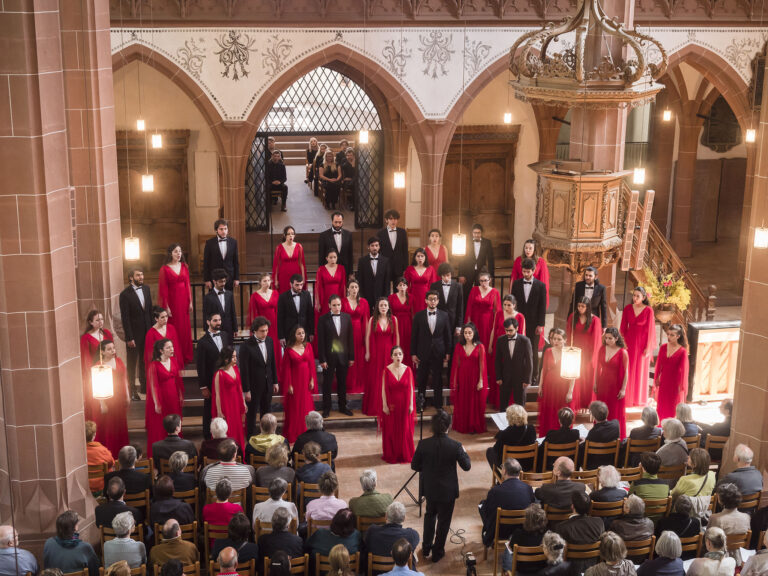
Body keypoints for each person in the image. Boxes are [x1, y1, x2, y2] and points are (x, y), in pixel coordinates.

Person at [411, 410, 471, 563]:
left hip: (430, 489)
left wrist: (428, 466)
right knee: (444, 522)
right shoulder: (456, 446)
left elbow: (414, 465)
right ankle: (437, 552)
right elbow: (467, 466)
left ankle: (425, 548)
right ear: (448, 426)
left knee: (430, 516)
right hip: (447, 492)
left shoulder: (423, 444)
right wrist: (464, 451)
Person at [464, 271, 502, 404]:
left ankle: (487, 390)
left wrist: (495, 330)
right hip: (475, 325)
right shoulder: (474, 290)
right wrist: (467, 328)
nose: (484, 283)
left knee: (486, 355)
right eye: (481, 281)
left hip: (488, 327)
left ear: (490, 280)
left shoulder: (495, 292)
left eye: (486, 280)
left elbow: (497, 313)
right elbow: (468, 309)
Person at [479, 458, 535, 547]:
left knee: (482, 506)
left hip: (501, 531)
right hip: (522, 528)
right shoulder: (528, 488)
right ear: (519, 472)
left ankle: (488, 535)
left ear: (504, 472)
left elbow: (489, 512)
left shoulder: (495, 491)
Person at [239, 317, 279, 438]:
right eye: (262, 331)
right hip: (253, 387)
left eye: (266, 330)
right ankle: (250, 436)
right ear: (254, 331)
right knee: (251, 413)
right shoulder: (246, 346)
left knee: (266, 411)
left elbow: (272, 363)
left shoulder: (270, 341)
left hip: (268, 384)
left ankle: (266, 434)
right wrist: (246, 390)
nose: (265, 333)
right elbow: (244, 370)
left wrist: (275, 382)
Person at [411, 292, 451, 409]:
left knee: (438, 379)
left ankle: (438, 405)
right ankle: (421, 405)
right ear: (426, 301)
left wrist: (448, 352)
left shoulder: (444, 315)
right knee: (422, 379)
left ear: (438, 301)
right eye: (430, 299)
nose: (432, 301)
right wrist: (413, 353)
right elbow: (414, 336)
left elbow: (447, 335)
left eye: (435, 299)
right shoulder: (418, 316)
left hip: (439, 352)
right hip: (423, 352)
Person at [317, 295, 354, 417]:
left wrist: (351, 357)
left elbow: (350, 339)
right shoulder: (323, 319)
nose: (337, 307)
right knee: (327, 384)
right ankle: (326, 409)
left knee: (342, 383)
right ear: (329, 306)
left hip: (343, 356)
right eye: (334, 305)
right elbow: (321, 341)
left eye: (338, 305)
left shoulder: (347, 317)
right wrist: (322, 359)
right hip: (328, 357)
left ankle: (342, 406)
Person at [145, 343, 185, 457]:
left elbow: (178, 379)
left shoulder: (173, 361)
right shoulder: (154, 365)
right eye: (168, 347)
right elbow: (153, 385)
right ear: (161, 350)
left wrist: (180, 394)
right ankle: (162, 454)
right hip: (162, 398)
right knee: (160, 425)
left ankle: (176, 451)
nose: (172, 349)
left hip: (173, 398)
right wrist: (157, 403)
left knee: (175, 422)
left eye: (172, 346)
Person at [512, 258, 548, 382]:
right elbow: (513, 304)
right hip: (519, 323)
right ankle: (519, 372)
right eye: (524, 271)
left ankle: (533, 375)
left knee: (532, 349)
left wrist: (541, 325)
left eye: (528, 272)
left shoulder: (541, 286)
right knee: (519, 347)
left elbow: (542, 307)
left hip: (534, 323)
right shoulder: (516, 284)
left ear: (533, 271)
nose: (525, 274)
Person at [197, 313, 232, 440]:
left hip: (225, 379)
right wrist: (203, 386)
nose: (218, 322)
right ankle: (207, 435)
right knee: (209, 408)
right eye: (215, 320)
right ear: (208, 322)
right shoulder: (202, 342)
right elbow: (200, 366)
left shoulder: (225, 335)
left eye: (219, 320)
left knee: (225, 406)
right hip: (210, 381)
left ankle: (225, 431)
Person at [620, 286, 657, 408]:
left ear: (644, 297)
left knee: (640, 371)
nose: (635, 298)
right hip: (629, 343)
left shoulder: (648, 310)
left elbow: (651, 330)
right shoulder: (627, 309)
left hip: (642, 345)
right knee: (628, 369)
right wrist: (622, 343)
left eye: (638, 296)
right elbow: (623, 328)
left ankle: (639, 399)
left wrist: (648, 347)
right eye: (634, 295)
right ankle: (627, 397)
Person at [119, 267, 153, 397]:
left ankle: (144, 387)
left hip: (147, 332)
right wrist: (129, 337)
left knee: (145, 360)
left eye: (142, 275)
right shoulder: (125, 295)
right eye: (138, 275)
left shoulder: (146, 289)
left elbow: (149, 312)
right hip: (134, 334)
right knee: (132, 362)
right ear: (131, 278)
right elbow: (125, 317)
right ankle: (132, 390)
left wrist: (152, 331)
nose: (141, 277)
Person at [158, 243, 193, 365]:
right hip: (172, 302)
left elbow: (187, 284)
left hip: (184, 302)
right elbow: (163, 289)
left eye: (180, 251)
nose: (178, 254)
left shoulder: (184, 266)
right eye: (175, 252)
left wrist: (190, 302)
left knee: (185, 328)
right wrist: (166, 306)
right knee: (175, 328)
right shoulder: (164, 269)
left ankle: (186, 354)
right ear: (170, 254)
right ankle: (176, 356)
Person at [380, 346, 416, 464]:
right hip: (392, 406)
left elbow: (411, 388)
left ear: (403, 356)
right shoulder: (386, 370)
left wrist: (411, 405)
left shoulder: (408, 370)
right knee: (392, 429)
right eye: (395, 354)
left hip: (405, 404)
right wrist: (384, 405)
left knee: (405, 429)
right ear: (391, 357)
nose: (398, 356)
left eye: (400, 354)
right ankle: (393, 452)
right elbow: (383, 389)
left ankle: (404, 452)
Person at [280, 325, 316, 443]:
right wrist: (289, 384)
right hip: (295, 381)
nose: (302, 336)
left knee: (306, 405)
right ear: (294, 335)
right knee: (295, 406)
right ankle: (295, 433)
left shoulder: (308, 346)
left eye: (303, 333)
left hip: (305, 381)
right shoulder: (289, 349)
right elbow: (286, 369)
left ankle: (307, 431)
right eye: (299, 333)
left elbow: (311, 364)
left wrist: (312, 380)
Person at [94, 341, 130, 457]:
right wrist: (102, 403)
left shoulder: (118, 361)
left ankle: (123, 454)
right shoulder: (98, 365)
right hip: (108, 399)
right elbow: (97, 385)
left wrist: (128, 395)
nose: (113, 351)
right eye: (109, 349)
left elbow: (124, 379)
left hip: (120, 399)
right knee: (110, 427)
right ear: (102, 352)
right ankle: (111, 454)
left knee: (121, 426)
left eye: (113, 348)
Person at [363, 298, 398, 416]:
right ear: (378, 307)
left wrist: (397, 354)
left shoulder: (394, 319)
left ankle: (390, 406)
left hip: (389, 354)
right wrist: (367, 352)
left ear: (388, 307)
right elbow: (367, 337)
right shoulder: (373, 319)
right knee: (376, 379)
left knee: (389, 379)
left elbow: (396, 337)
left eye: (385, 305)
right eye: (381, 305)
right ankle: (375, 407)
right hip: (376, 353)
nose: (383, 307)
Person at [450, 323, 487, 434]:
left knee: (473, 401)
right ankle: (463, 424)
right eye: (465, 333)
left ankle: (473, 425)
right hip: (462, 377)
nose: (467, 335)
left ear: (474, 333)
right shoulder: (458, 346)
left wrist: (481, 381)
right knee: (463, 401)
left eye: (469, 332)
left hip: (475, 378)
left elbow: (482, 366)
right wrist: (455, 381)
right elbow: (456, 365)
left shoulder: (480, 347)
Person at [537, 328, 575, 437]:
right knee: (549, 411)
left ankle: (562, 436)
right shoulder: (548, 351)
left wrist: (570, 391)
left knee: (561, 411)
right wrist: (540, 386)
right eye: (554, 339)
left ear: (565, 340)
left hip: (563, 386)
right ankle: (549, 435)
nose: (556, 341)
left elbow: (573, 374)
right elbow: (544, 369)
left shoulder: (570, 353)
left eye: (559, 339)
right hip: (549, 385)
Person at [567, 297, 603, 410]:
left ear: (587, 307)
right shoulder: (573, 317)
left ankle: (587, 403)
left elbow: (596, 340)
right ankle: (576, 401)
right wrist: (569, 350)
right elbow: (569, 334)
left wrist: (593, 357)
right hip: (575, 352)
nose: (580, 308)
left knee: (587, 377)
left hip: (588, 353)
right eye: (578, 306)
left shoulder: (595, 320)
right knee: (575, 377)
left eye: (583, 306)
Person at [555, 491, 605, 571]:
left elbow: (558, 553)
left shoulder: (561, 527)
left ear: (572, 506)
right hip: (594, 566)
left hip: (571, 569)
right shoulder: (599, 522)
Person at [363, 503, 420, 572]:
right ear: (404, 518)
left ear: (386, 516)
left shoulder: (372, 531)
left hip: (377, 572)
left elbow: (365, 544)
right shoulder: (411, 535)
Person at [79, 309, 114, 419]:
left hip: (109, 368)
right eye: (97, 320)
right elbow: (86, 359)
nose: (101, 322)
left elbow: (113, 351)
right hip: (97, 372)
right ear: (90, 322)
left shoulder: (106, 333)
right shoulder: (86, 338)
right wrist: (92, 374)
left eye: (102, 319)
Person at [43, 511, 99, 576]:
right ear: (74, 527)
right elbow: (95, 572)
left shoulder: (49, 543)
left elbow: (47, 570)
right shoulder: (85, 547)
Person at [213, 346, 246, 452]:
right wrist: (219, 411)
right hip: (226, 405)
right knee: (229, 428)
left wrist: (243, 402)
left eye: (236, 356)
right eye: (233, 357)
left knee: (238, 427)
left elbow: (240, 387)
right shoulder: (219, 374)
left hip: (236, 403)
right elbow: (217, 394)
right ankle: (229, 452)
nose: (236, 359)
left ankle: (239, 452)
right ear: (226, 359)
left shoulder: (235, 368)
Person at [495, 316, 533, 409]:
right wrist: (498, 377)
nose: (508, 333)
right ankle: (503, 423)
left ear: (517, 328)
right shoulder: (500, 340)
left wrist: (527, 379)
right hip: (505, 377)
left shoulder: (525, 341)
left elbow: (529, 361)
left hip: (520, 378)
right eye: (506, 330)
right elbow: (498, 360)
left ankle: (520, 423)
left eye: (510, 330)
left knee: (520, 405)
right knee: (503, 404)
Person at [654, 324, 690, 421]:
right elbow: (659, 365)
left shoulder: (682, 351)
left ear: (678, 336)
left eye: (672, 335)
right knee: (661, 404)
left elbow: (684, 371)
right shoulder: (663, 347)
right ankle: (661, 425)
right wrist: (657, 378)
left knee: (672, 405)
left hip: (675, 382)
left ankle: (671, 426)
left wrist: (681, 386)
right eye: (668, 334)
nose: (669, 337)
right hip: (664, 380)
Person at [709, 483, 751, 565]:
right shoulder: (746, 517)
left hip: (720, 559)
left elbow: (708, 540)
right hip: (739, 558)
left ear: (720, 500)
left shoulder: (715, 518)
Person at [500, 504, 549, 574]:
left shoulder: (518, 534)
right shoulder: (547, 536)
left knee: (508, 548)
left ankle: (507, 571)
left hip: (521, 570)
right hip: (540, 571)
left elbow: (511, 549)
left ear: (526, 520)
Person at [246, 274, 280, 375]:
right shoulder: (255, 296)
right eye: (264, 281)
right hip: (261, 325)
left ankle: (276, 374)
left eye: (269, 280)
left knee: (274, 348)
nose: (267, 283)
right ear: (260, 282)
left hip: (274, 325)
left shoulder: (275, 293)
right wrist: (256, 328)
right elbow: (253, 314)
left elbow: (279, 311)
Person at [486, 404, 537, 470]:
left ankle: (502, 477)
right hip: (527, 464)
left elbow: (496, 449)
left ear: (509, 417)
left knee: (489, 451)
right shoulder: (531, 429)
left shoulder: (506, 433)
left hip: (510, 467)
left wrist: (500, 436)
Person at [671, 448, 716, 518]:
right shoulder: (712, 475)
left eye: (690, 457)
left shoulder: (685, 480)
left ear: (694, 464)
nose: (688, 457)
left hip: (685, 513)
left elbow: (673, 495)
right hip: (703, 511)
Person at [343, 279, 370, 394]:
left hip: (359, 333)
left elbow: (366, 320)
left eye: (356, 287)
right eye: (352, 287)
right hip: (346, 333)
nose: (354, 289)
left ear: (358, 289)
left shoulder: (364, 302)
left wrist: (366, 338)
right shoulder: (343, 301)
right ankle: (349, 384)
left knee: (359, 358)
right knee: (348, 358)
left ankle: (359, 383)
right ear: (348, 289)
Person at [143, 306, 184, 377]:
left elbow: (176, 347)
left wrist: (178, 364)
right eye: (162, 317)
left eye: (166, 316)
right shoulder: (150, 333)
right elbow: (149, 354)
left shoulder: (171, 328)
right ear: (156, 319)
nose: (165, 319)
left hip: (171, 364)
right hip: (159, 366)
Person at [511, 238, 550, 311]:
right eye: (526, 248)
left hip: (535, 293)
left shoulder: (541, 262)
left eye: (530, 248)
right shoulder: (518, 260)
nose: (527, 250)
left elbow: (544, 281)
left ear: (534, 250)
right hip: (520, 292)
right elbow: (514, 278)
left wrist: (542, 299)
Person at [277, 275, 314, 349]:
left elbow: (310, 315)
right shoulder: (283, 297)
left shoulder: (307, 295)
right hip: (289, 332)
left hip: (304, 331)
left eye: (301, 284)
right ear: (291, 284)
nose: (300, 287)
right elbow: (280, 318)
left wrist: (311, 332)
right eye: (297, 285)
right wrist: (281, 336)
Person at [203, 219, 240, 292]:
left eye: (225, 229)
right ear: (216, 230)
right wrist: (207, 279)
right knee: (215, 301)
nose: (224, 231)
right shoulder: (209, 243)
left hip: (229, 278)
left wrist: (236, 278)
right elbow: (206, 263)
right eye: (221, 229)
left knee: (228, 300)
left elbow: (236, 262)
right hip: (215, 278)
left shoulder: (233, 242)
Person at [357, 237, 392, 313]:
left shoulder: (385, 261)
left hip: (381, 296)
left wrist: (385, 298)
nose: (374, 248)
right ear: (368, 247)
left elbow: (387, 282)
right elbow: (360, 280)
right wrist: (362, 297)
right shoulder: (362, 261)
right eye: (372, 246)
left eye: (376, 245)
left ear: (379, 247)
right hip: (366, 296)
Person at [582, 401, 621, 468]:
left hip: (595, 465)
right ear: (607, 412)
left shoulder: (593, 432)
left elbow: (586, 449)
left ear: (593, 416)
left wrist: (584, 440)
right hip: (611, 463)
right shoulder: (616, 424)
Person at [431, 263, 463, 339]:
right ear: (440, 275)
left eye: (448, 275)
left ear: (451, 274)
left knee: (452, 344)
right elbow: (431, 304)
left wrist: (459, 326)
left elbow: (460, 307)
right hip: (438, 319)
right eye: (444, 275)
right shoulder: (434, 286)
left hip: (453, 320)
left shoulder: (458, 286)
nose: (446, 278)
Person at [458, 223, 495, 290]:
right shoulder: (466, 241)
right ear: (472, 233)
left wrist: (491, 275)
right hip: (467, 271)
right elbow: (461, 258)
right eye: (475, 233)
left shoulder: (487, 242)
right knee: (466, 292)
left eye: (478, 233)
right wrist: (461, 274)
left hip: (481, 272)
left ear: (481, 233)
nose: (477, 235)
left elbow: (491, 260)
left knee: (480, 292)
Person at [203, 269, 238, 338]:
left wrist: (235, 329)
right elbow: (206, 315)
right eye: (220, 282)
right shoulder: (208, 297)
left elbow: (233, 312)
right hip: (215, 329)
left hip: (229, 330)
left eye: (224, 281)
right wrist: (206, 330)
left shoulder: (229, 294)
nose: (223, 284)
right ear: (214, 281)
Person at [377, 209, 409, 281]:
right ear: (386, 220)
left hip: (398, 266)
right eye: (391, 219)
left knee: (397, 288)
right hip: (385, 265)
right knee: (385, 289)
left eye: (395, 219)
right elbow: (378, 251)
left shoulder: (402, 232)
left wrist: (405, 268)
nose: (393, 221)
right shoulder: (380, 233)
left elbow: (405, 251)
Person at [273, 226, 306, 294]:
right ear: (285, 235)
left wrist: (303, 277)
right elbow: (276, 265)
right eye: (288, 234)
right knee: (284, 295)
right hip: (283, 276)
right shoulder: (279, 248)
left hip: (296, 275)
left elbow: (301, 264)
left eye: (292, 233)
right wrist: (275, 280)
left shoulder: (299, 246)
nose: (291, 235)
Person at [404, 249, 437, 315]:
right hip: (413, 296)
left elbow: (433, 285)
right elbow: (405, 285)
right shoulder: (409, 269)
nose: (420, 258)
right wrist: (407, 297)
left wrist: (431, 299)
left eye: (422, 256)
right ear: (415, 257)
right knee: (414, 315)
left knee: (425, 316)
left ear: (425, 257)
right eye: (418, 256)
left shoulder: (431, 268)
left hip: (426, 297)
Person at [85, 420, 114, 494]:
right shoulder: (102, 450)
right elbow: (111, 462)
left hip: (84, 487)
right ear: (94, 435)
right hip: (101, 488)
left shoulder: (79, 452)